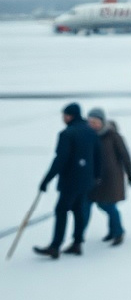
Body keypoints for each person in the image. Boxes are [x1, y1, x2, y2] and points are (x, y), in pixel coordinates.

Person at [34, 102, 101, 259]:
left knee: (61, 210)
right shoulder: (91, 132)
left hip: (71, 180)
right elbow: (98, 156)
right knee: (78, 209)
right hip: (86, 180)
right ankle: (77, 243)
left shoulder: (67, 134)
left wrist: (46, 180)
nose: (63, 118)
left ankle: (55, 246)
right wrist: (96, 176)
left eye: (65, 115)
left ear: (70, 116)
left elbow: (60, 159)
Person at [86, 107, 131, 246]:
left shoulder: (113, 136)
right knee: (103, 204)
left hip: (111, 178)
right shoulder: (89, 136)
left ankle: (118, 232)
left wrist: (130, 174)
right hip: (96, 178)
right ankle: (112, 231)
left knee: (108, 205)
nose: (93, 125)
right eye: (91, 122)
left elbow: (125, 156)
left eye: (96, 122)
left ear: (102, 122)